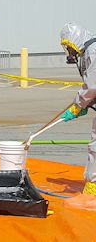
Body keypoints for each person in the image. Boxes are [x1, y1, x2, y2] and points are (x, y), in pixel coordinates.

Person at [60, 23, 96, 196]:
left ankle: (93, 187)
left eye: (68, 46)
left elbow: (92, 86)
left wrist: (78, 105)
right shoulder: (90, 50)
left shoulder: (93, 52)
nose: (69, 52)